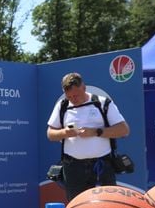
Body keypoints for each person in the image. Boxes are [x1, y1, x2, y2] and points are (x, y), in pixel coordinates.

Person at [46, 72, 130, 201]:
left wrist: (96, 132)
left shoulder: (102, 103)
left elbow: (124, 130)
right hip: (73, 167)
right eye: (69, 97)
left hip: (102, 165)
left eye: (76, 95)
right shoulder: (62, 106)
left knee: (107, 204)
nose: (73, 99)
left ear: (84, 88)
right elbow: (50, 134)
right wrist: (65, 133)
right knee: (76, 207)